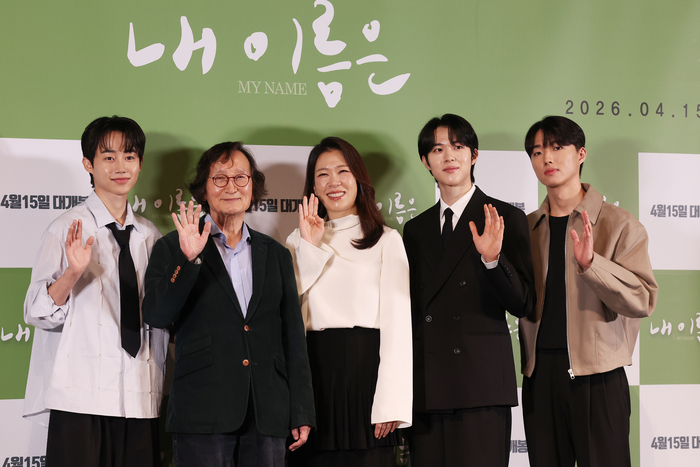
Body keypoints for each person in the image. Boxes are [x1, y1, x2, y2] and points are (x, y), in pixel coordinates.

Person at [142, 141, 315, 467]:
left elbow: (293, 336)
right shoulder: (174, 247)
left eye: (240, 178)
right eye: (220, 178)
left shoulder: (276, 254)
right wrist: (187, 259)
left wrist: (301, 409)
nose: (231, 186)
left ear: (253, 188)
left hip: (266, 413)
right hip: (202, 411)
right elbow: (156, 314)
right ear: (204, 190)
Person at [23, 116, 167, 467]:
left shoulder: (150, 235)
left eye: (129, 156)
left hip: (139, 395)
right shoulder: (67, 228)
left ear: (140, 164)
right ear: (88, 164)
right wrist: (72, 273)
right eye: (108, 157)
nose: (120, 167)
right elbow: (36, 311)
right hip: (81, 399)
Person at [520, 116, 658, 467]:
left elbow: (642, 299)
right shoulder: (527, 228)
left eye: (556, 147)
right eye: (537, 152)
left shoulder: (618, 223)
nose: (547, 158)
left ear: (581, 154)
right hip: (540, 377)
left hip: (599, 377)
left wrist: (592, 264)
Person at [403, 113, 536, 466]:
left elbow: (523, 303)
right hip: (428, 385)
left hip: (480, 384)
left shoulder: (504, 217)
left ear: (474, 155)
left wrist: (492, 260)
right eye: (438, 150)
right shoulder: (415, 230)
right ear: (425, 162)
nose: (449, 156)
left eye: (458, 147)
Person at [285, 137, 412, 467]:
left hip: (365, 379)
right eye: (322, 174)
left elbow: (399, 327)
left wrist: (390, 402)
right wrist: (310, 246)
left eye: (343, 171)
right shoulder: (297, 240)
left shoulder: (386, 240)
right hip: (311, 376)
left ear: (359, 178)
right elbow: (285, 307)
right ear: (313, 186)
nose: (334, 182)